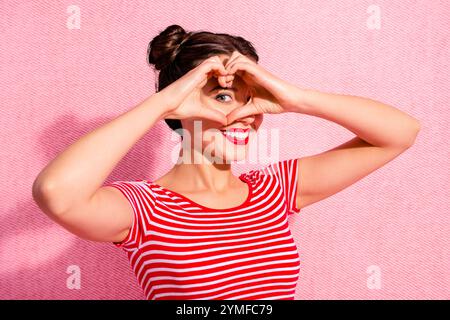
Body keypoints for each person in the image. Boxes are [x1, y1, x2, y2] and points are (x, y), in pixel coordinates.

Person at [32, 24, 421, 300]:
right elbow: (57, 193)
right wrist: (162, 102)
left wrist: (296, 97)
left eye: (251, 96)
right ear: (180, 104)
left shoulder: (274, 189)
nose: (243, 114)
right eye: (221, 97)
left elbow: (400, 133)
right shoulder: (143, 208)